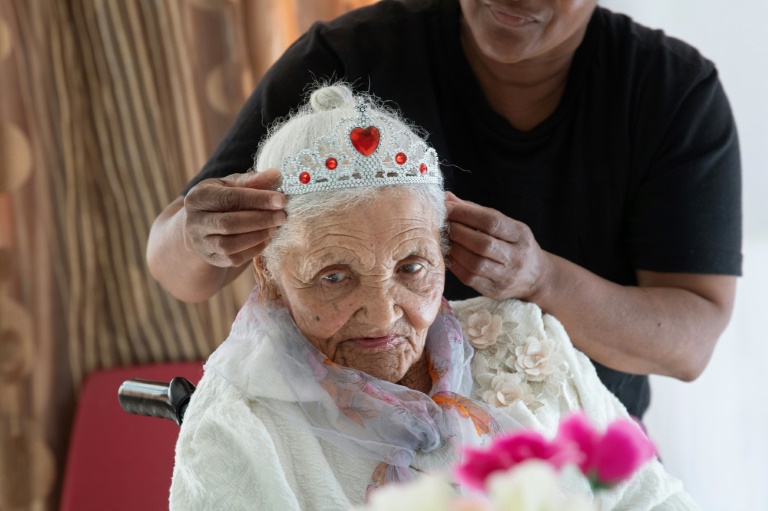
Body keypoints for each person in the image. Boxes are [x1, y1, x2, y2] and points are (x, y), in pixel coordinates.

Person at [147, 0, 742, 420]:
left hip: (567, 459)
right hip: (341, 444)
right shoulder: (343, 57)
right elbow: (176, 263)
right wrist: (201, 236)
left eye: (410, 266)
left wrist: (542, 279)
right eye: (338, 274)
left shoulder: (672, 93)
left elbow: (688, 344)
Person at [169, 85, 697, 510]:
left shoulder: (524, 341)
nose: (383, 313)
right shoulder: (239, 430)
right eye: (334, 277)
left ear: (445, 253)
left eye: (411, 267)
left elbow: (652, 498)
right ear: (269, 275)